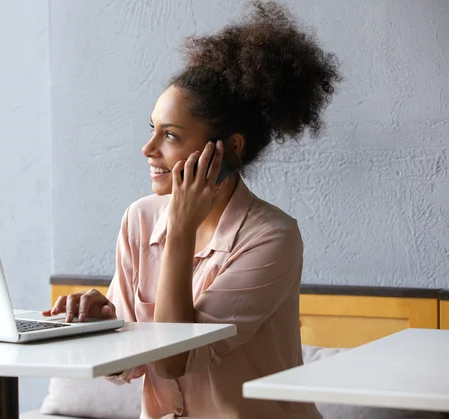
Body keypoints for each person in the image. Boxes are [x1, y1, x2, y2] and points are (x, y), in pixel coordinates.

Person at [43, 1, 340, 417]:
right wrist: (104, 321)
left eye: (170, 135)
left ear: (229, 148)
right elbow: (128, 367)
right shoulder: (140, 219)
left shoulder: (272, 237)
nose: (148, 149)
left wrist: (180, 232)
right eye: (153, 130)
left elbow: (171, 360)